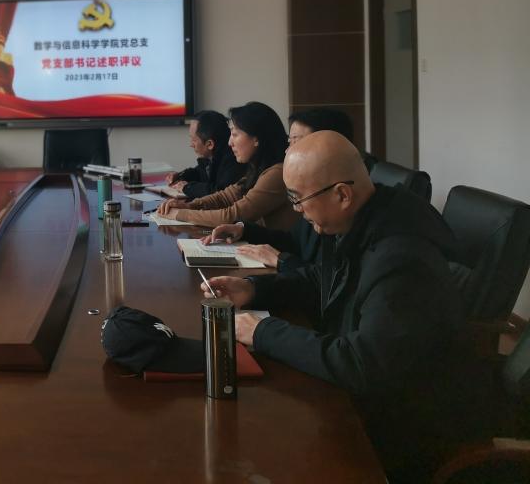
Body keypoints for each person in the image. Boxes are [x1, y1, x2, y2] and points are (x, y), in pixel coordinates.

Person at [201, 131, 481, 483]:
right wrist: (254, 290)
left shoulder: (402, 258)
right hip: (360, 397)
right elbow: (326, 280)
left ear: (342, 195)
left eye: (298, 199)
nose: (297, 211)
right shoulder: (364, 219)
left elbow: (363, 364)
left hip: (399, 428)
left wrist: (263, 332)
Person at [204, 106, 358, 270]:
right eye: (289, 142)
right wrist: (244, 231)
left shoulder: (351, 213)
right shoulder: (316, 189)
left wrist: (282, 261)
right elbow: (294, 241)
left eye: (296, 141)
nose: (288, 151)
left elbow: (327, 278)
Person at [156, 101, 295, 231]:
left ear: (256, 139)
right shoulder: (257, 168)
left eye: (234, 134)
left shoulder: (277, 173)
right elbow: (226, 197)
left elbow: (233, 216)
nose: (230, 142)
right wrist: (188, 205)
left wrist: (180, 214)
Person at [166, 110, 247, 200]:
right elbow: (199, 173)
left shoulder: (234, 159)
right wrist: (180, 176)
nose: (191, 145)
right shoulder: (210, 156)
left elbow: (220, 192)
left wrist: (187, 187)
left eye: (193, 140)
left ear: (210, 144)